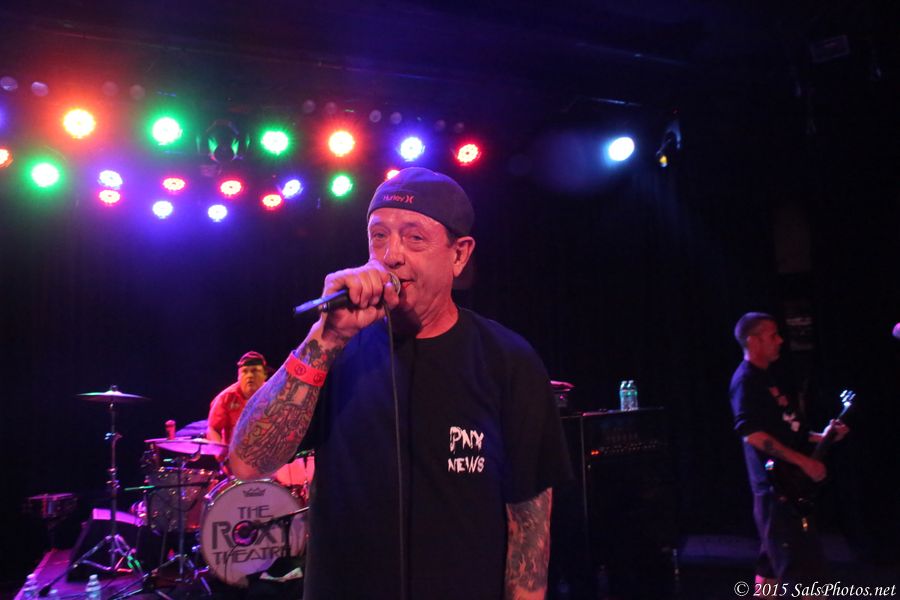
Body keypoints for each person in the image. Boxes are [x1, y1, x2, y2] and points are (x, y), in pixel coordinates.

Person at [230, 167, 572, 600]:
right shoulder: (334, 347)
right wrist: (325, 339)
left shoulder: (508, 360)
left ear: (459, 255)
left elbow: (529, 525)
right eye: (379, 236)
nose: (390, 255)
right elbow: (247, 464)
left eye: (414, 238)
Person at [729, 312, 849, 591]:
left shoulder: (766, 379)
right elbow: (752, 434)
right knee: (807, 580)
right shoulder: (746, 381)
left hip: (788, 491)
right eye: (773, 335)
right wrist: (804, 462)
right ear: (753, 341)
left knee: (770, 570)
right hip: (776, 492)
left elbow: (787, 430)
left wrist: (824, 437)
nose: (780, 340)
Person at [206, 351, 269, 444]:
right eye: (245, 371)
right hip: (234, 451)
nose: (250, 375)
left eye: (254, 371)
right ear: (238, 376)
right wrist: (219, 449)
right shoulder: (225, 398)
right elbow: (213, 429)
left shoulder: (274, 394)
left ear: (265, 375)